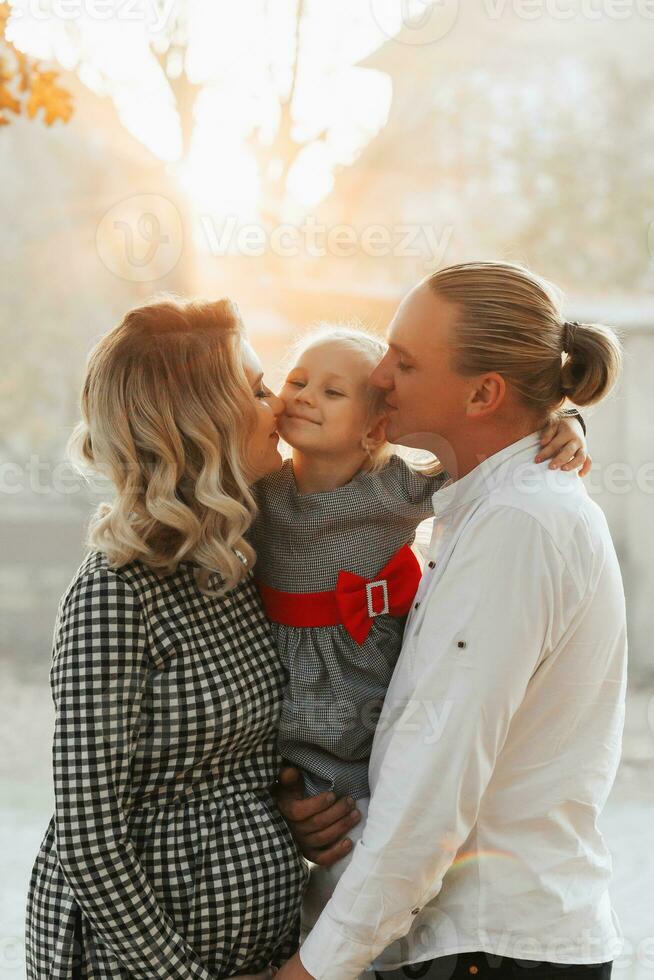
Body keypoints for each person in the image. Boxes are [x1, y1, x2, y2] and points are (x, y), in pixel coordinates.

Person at [274, 262, 627, 980]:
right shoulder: (489, 511)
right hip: (480, 943)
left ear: (483, 393)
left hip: (496, 947)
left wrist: (312, 970)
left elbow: (434, 781)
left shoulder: (518, 526)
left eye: (403, 363)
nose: (378, 377)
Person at [25, 296, 309, 979]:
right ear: (202, 420)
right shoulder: (115, 593)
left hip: (256, 955)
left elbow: (378, 452)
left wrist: (558, 425)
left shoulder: (246, 552)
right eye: (257, 389)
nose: (281, 406)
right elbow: (91, 840)